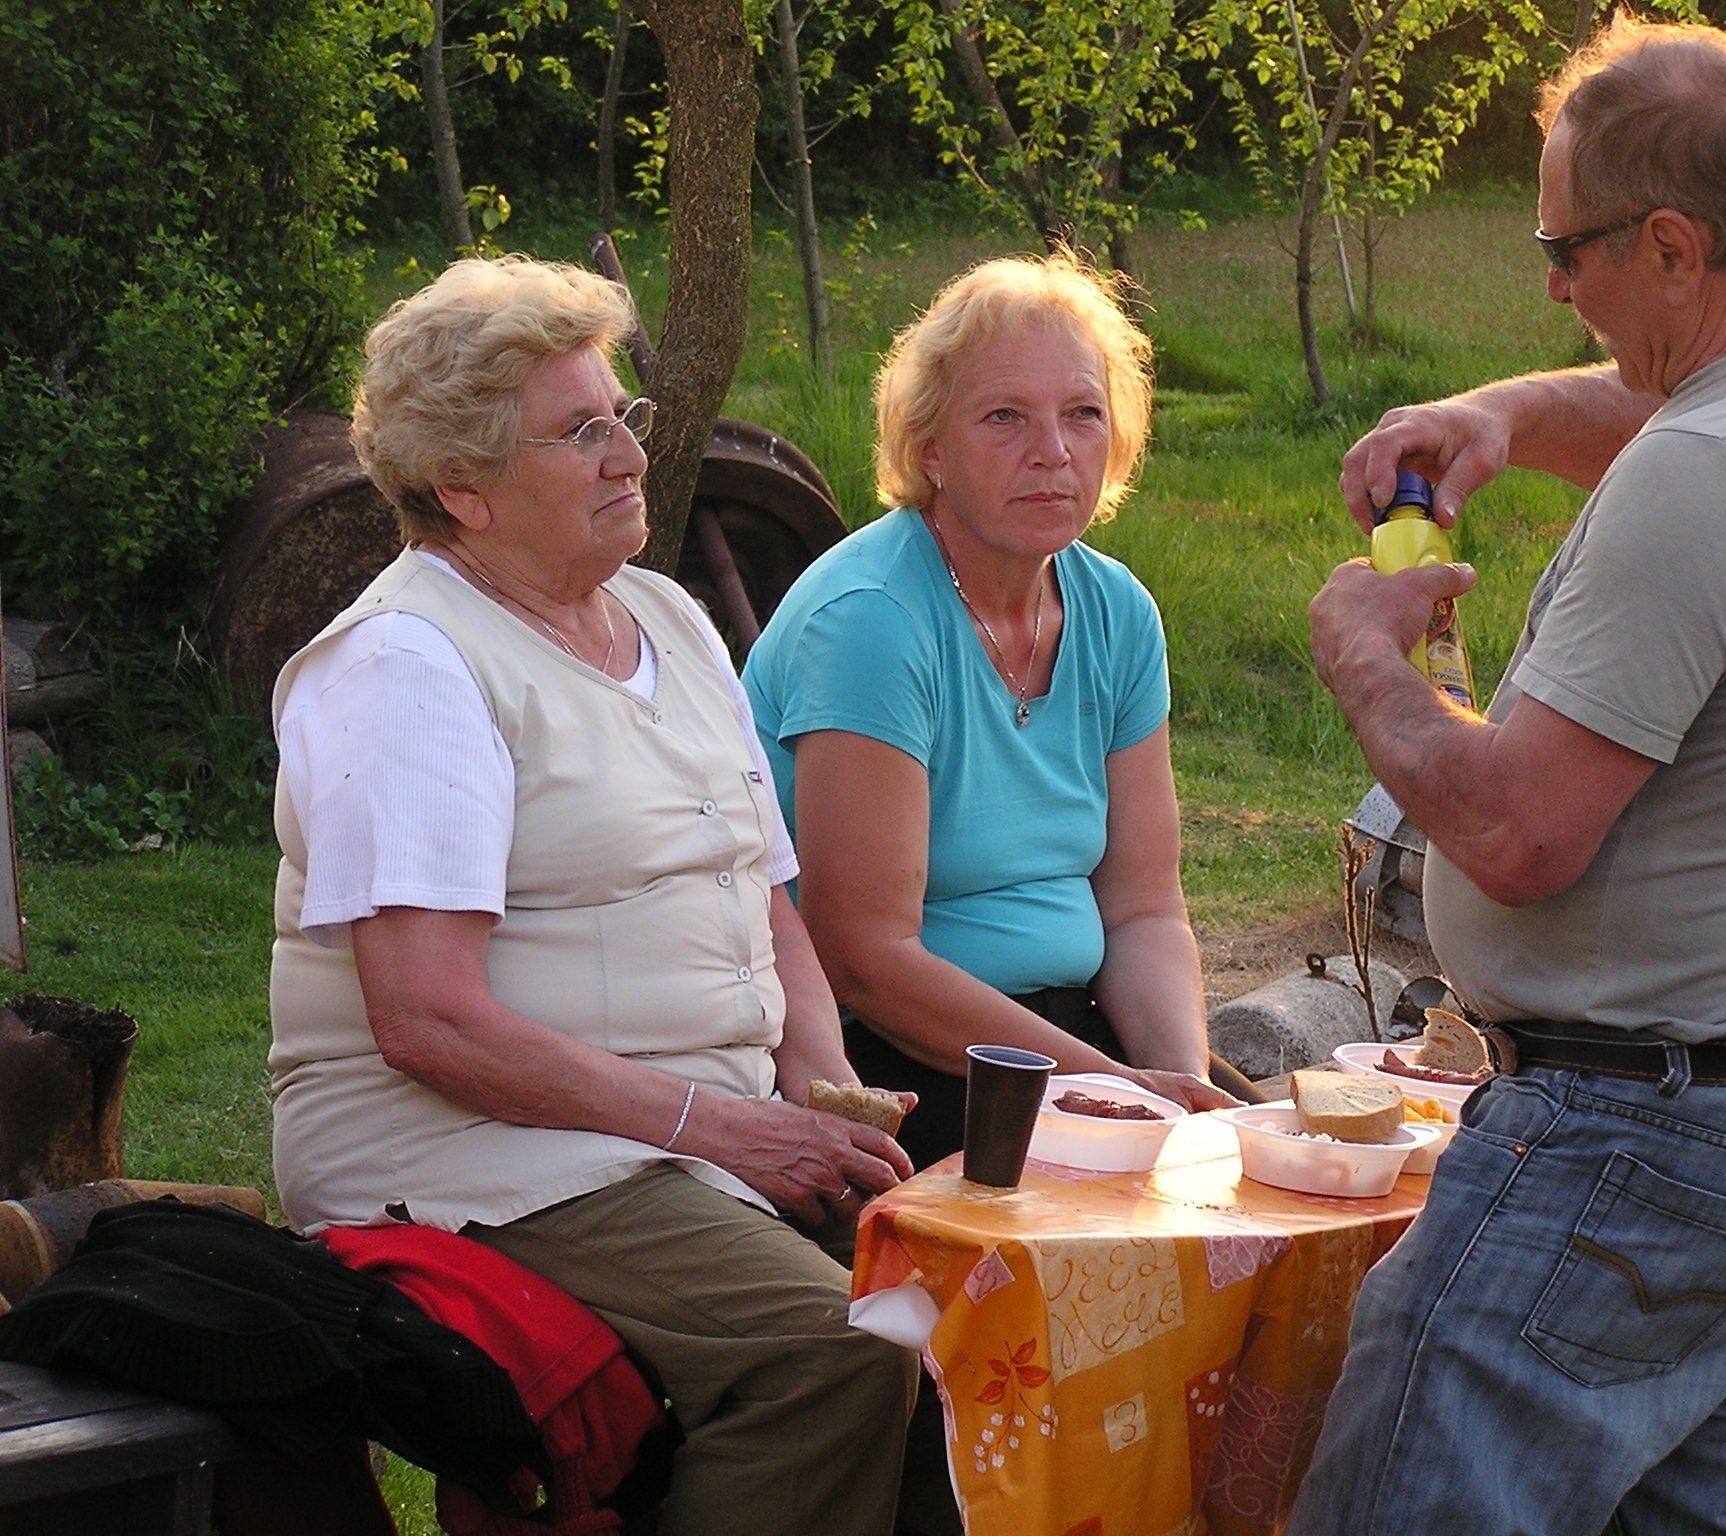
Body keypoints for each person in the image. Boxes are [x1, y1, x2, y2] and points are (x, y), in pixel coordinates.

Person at [1290, 19, 1726, 1536]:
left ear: (1674, 245)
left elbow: (1518, 832)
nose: (1552, 284)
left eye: (1569, 249)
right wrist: (1503, 416)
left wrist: (1365, 652)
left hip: (1627, 1153)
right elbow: (1705, 420)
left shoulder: (1715, 474)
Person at [266, 255, 918, 1536]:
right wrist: (726, 1133)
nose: (626, 456)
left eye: (624, 416)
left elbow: (761, 890)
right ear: (463, 486)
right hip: (479, 1156)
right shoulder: (406, 667)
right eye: (580, 433)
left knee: (978, 1302)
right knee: (837, 1349)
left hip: (670, 1134)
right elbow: (429, 1022)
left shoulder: (664, 615)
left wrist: (823, 1092)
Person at [742, 250, 1239, 1173]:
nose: (1052, 452)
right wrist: (1112, 1095)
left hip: (1074, 1033)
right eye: (1005, 417)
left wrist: (1178, 1089)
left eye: (1083, 415)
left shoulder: (1118, 610)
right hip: (899, 1058)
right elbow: (865, 957)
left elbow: (1142, 909)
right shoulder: (873, 621)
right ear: (929, 450)